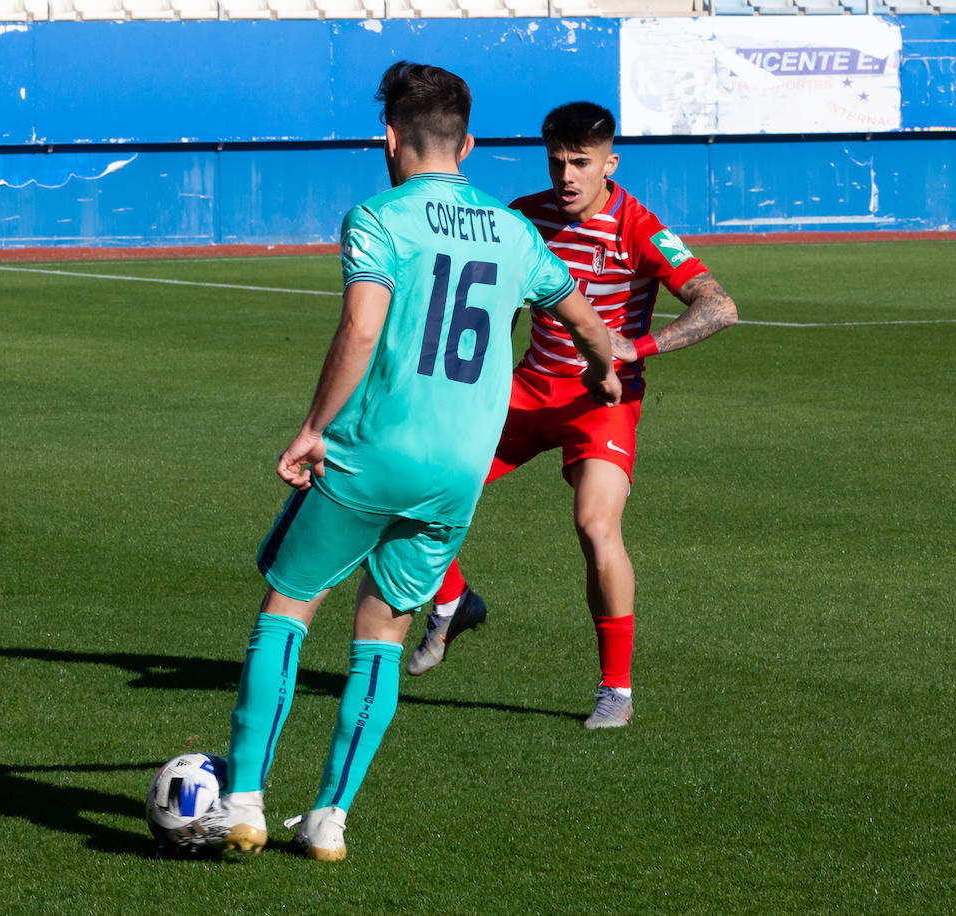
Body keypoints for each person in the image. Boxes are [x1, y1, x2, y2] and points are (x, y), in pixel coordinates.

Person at [171, 64, 620, 862]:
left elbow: (363, 328)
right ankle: (329, 819)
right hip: (456, 472)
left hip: (371, 455)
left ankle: (242, 801)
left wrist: (313, 427)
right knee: (382, 633)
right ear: (470, 144)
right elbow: (583, 318)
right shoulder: (516, 232)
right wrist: (605, 369)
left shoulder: (378, 217)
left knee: (288, 609)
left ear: (389, 139)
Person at [405, 102, 739, 730]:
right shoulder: (521, 217)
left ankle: (616, 689)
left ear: (609, 163)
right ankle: (453, 602)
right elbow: (495, 307)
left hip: (602, 402)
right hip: (525, 392)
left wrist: (635, 347)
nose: (567, 175)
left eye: (581, 163)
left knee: (595, 527)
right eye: (557, 161)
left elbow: (719, 306)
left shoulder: (639, 226)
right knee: (419, 486)